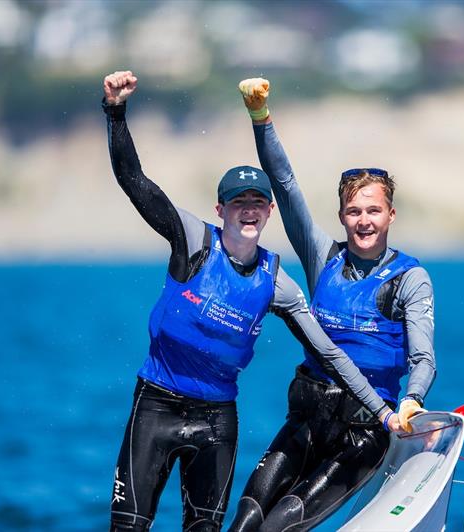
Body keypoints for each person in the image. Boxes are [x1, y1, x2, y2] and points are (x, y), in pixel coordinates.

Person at [102, 71, 401, 532]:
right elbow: (132, 179)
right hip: (156, 407)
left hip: (217, 421)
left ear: (268, 212)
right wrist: (116, 112)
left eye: (257, 202)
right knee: (128, 527)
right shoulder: (193, 240)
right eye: (237, 201)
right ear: (221, 209)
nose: (248, 209)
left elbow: (328, 350)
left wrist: (383, 413)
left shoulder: (277, 282)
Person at [228, 78, 437, 531]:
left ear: (391, 215)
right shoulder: (323, 255)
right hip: (306, 420)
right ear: (342, 216)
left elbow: (424, 358)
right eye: (354, 212)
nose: (364, 221)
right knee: (246, 519)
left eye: (373, 211)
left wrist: (414, 400)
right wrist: (261, 119)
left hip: (362, 435)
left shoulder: (409, 279)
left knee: (282, 522)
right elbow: (284, 186)